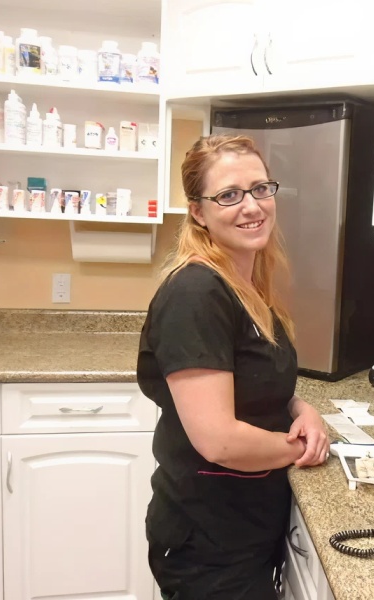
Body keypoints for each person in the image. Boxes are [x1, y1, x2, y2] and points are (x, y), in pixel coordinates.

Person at [137, 134, 329, 600]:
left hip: (242, 532)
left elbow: (256, 380)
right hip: (207, 547)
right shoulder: (195, 295)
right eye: (229, 195)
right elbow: (219, 441)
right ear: (198, 211)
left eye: (261, 188)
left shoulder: (245, 283)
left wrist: (303, 410)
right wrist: (304, 449)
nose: (252, 206)